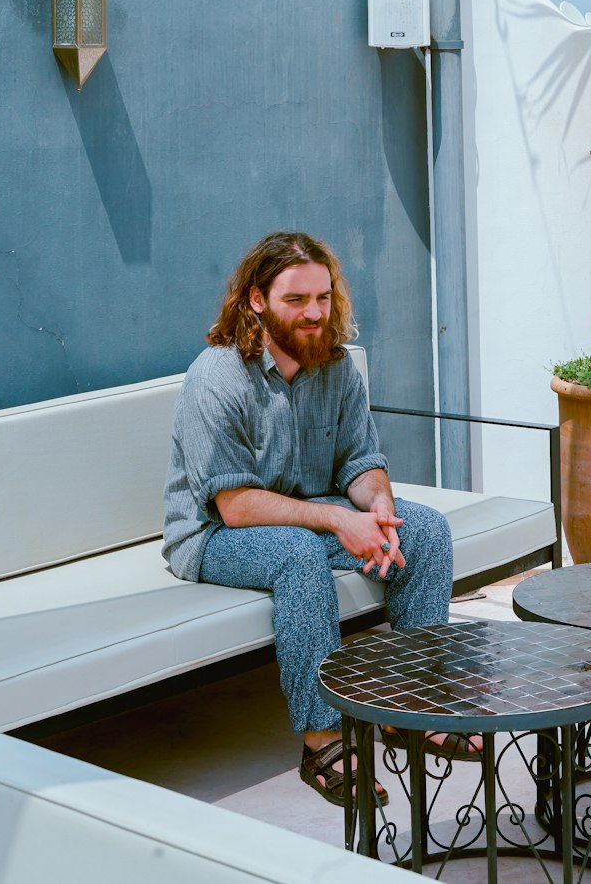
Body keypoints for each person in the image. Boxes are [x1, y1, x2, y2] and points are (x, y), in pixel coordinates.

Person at [163, 230, 476, 807]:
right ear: (256, 300)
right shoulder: (217, 376)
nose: (315, 313)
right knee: (298, 555)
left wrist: (377, 506)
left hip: (307, 511)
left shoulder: (335, 367)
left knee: (424, 530)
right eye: (296, 300)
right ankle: (323, 739)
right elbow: (235, 506)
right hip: (215, 536)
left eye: (323, 298)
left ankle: (412, 705)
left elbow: (359, 461)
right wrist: (338, 524)